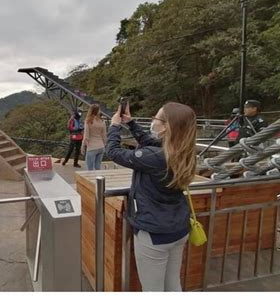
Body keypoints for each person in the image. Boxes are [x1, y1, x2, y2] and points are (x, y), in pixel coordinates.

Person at [106, 101, 196, 291]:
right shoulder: (184, 150)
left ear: (166, 127)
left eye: (156, 118)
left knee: (152, 289)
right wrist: (130, 123)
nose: (153, 121)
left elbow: (113, 152)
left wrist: (115, 126)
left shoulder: (155, 157)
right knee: (173, 284)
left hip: (155, 234)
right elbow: (150, 141)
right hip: (179, 228)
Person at [81, 104, 106, 170]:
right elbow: (104, 136)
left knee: (90, 168)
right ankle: (99, 180)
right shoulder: (102, 121)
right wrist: (104, 144)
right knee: (98, 167)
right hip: (101, 147)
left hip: (92, 147)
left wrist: (83, 146)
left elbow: (86, 135)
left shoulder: (88, 121)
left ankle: (91, 180)